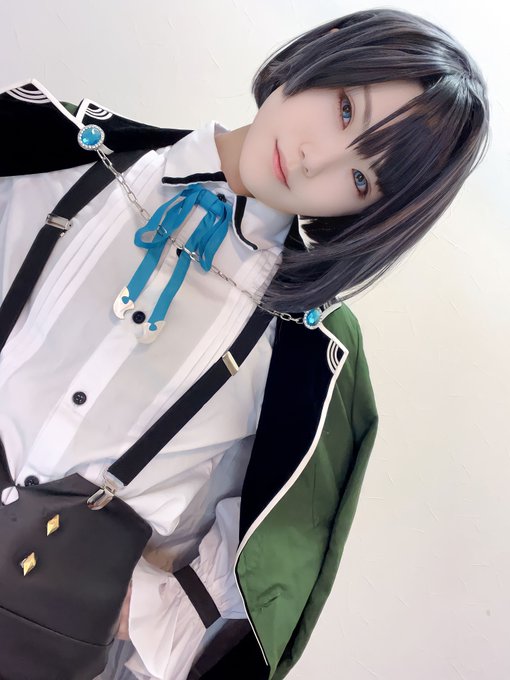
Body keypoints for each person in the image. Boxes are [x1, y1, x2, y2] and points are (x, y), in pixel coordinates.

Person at [0, 8, 489, 680]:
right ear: (325, 50)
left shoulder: (311, 361)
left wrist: (138, 606)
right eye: (346, 109)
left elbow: (261, 579)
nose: (317, 159)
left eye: (360, 180)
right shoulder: (41, 146)